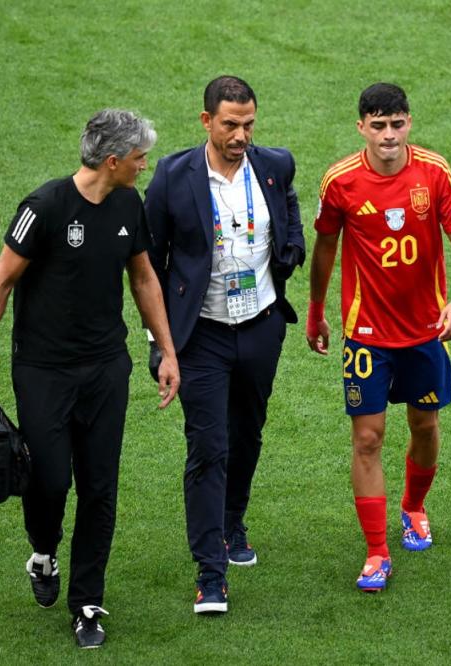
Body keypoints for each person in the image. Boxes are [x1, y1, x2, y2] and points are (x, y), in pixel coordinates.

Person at [0, 109, 179, 648]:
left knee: (100, 487)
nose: (144, 166)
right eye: (138, 158)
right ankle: (42, 549)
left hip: (106, 369)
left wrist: (165, 350)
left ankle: (86, 604)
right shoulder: (45, 207)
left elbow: (144, 277)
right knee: (51, 478)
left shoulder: (129, 204)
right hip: (43, 371)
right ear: (112, 161)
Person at [306, 82, 451, 592]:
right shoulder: (340, 181)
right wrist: (316, 311)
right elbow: (326, 249)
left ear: (409, 122)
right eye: (377, 125)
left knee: (424, 426)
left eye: (396, 123)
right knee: (367, 438)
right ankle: (377, 551)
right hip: (366, 335)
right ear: (361, 127)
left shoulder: (435, 171)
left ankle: (414, 507)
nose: (388, 135)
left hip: (427, 330)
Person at [144, 75, 305, 614]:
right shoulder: (171, 176)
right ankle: (210, 571)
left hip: (261, 329)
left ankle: (233, 521)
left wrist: (291, 250)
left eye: (249, 124)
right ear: (206, 120)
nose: (242, 135)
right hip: (202, 338)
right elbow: (149, 268)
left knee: (248, 434)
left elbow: (291, 218)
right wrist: (160, 344)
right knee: (209, 447)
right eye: (231, 124)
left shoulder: (275, 165)